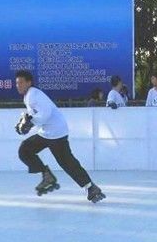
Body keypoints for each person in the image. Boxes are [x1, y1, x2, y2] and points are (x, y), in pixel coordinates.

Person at [14, 70, 105, 203]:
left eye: (21, 82)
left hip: (56, 132)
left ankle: (91, 188)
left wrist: (29, 122)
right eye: (17, 83)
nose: (18, 85)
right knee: (25, 149)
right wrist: (25, 122)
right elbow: (34, 116)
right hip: (47, 132)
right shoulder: (28, 96)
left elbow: (45, 113)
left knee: (67, 162)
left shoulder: (33, 94)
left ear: (29, 82)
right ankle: (47, 175)